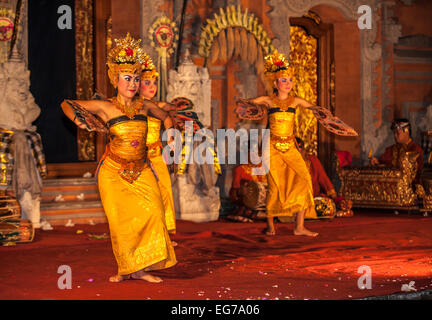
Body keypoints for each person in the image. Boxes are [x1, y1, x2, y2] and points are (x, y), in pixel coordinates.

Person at [60, 33, 177, 283]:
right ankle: (127, 268)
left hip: (142, 169)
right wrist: (80, 120)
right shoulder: (105, 107)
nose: (133, 84)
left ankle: (142, 267)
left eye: (136, 79)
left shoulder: (145, 106)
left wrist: (172, 131)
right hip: (113, 173)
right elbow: (66, 103)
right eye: (128, 79)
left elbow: (164, 115)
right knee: (121, 223)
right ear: (116, 79)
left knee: (155, 212)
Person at [241, 51, 319, 237]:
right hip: (272, 147)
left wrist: (327, 117)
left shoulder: (297, 101)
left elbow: (316, 109)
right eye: (284, 80)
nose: (288, 83)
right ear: (275, 84)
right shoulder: (268, 101)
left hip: (290, 146)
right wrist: (248, 106)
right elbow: (247, 104)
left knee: (304, 179)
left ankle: (299, 227)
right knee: (275, 185)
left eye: (290, 80)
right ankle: (270, 226)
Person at [138, 56, 177, 239]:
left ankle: (165, 235)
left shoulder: (159, 106)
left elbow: (171, 112)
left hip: (156, 155)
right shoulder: (132, 107)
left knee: (164, 192)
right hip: (137, 158)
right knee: (145, 197)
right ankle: (146, 234)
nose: (152, 87)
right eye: (147, 82)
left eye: (154, 82)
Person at [370, 118, 424, 184]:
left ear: (406, 131)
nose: (395, 136)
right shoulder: (390, 150)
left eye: (398, 133)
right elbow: (383, 163)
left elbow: (416, 174)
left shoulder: (416, 150)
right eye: (394, 133)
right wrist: (376, 163)